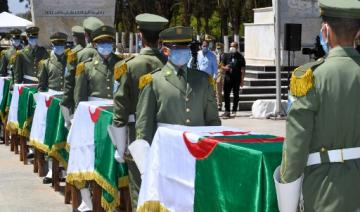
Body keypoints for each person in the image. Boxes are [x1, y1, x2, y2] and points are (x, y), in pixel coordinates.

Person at [276, 0, 360, 211]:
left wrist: (287, 202)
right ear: (358, 33)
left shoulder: (309, 78)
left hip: (325, 191)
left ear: (325, 30)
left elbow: (296, 147)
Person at [133, 26, 221, 187]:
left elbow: (213, 121)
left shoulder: (203, 80)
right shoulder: (153, 81)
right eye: (177, 48)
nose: (183, 51)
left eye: (186, 47)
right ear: (166, 51)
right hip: (166, 152)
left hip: (197, 152)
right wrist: (144, 164)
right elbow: (144, 126)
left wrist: (213, 152)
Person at [110, 13, 168, 210]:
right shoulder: (170, 65)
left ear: (139, 35)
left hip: (137, 134)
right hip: (166, 134)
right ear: (160, 37)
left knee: (139, 187)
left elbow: (120, 108)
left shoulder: (127, 66)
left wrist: (119, 143)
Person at [62, 17, 104, 113]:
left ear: (85, 35)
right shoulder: (108, 54)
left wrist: (66, 105)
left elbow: (69, 82)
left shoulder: (75, 55)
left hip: (82, 106)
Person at [73, 25, 121, 105]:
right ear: (95, 45)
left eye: (108, 41)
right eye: (101, 42)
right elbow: (80, 96)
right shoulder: (85, 67)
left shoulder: (122, 64)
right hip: (94, 112)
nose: (105, 44)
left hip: (116, 111)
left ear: (112, 44)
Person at [220, 41, 245, 118]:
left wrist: (242, 80)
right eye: (231, 46)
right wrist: (225, 68)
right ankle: (227, 111)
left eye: (233, 46)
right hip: (228, 79)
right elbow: (221, 66)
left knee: (236, 95)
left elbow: (243, 70)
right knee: (226, 95)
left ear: (237, 47)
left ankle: (234, 110)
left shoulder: (240, 57)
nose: (231, 47)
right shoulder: (226, 55)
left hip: (236, 79)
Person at [215, 42, 225, 111]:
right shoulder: (214, 55)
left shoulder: (225, 56)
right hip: (215, 74)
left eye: (220, 48)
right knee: (216, 91)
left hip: (222, 74)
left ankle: (221, 104)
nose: (218, 49)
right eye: (217, 48)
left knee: (221, 91)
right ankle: (217, 104)